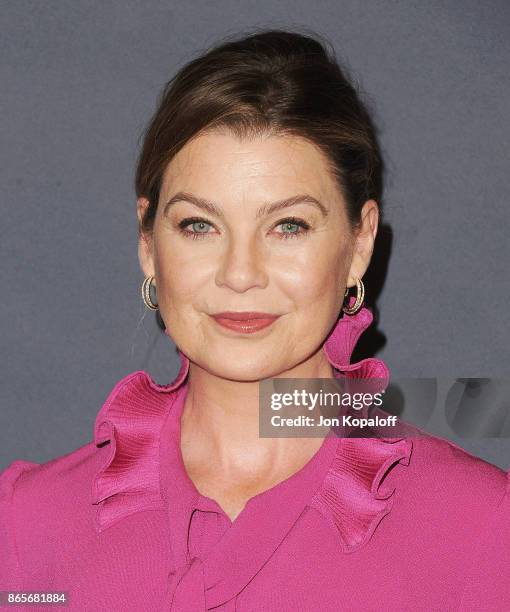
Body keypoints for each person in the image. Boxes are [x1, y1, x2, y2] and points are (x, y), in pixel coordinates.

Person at [1, 28, 509, 612]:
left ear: (360, 242)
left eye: (288, 226)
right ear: (148, 242)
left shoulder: (482, 532)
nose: (240, 273)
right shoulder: (26, 527)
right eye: (199, 225)